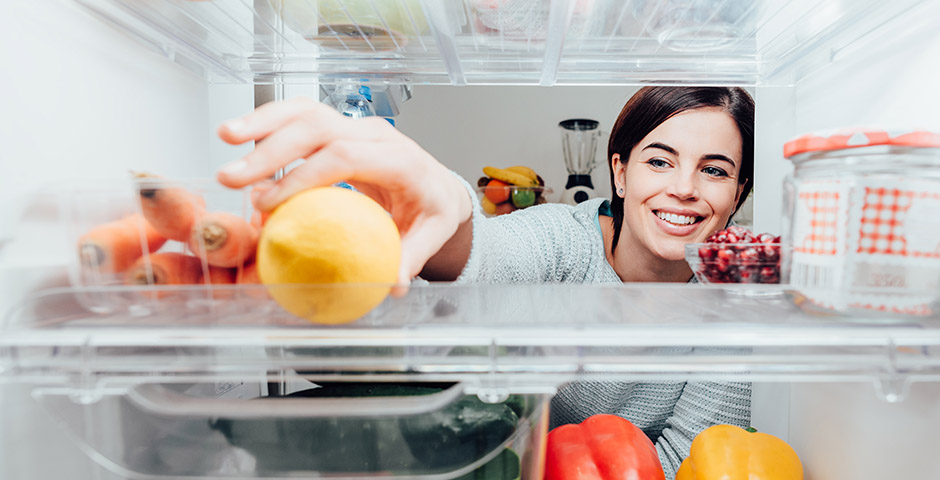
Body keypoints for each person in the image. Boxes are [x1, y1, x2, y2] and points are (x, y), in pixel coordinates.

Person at [216, 86, 754, 477]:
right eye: (659, 161)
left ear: (739, 191)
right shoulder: (564, 238)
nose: (684, 188)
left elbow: (695, 460)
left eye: (714, 170)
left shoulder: (735, 298)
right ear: (619, 171)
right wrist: (451, 211)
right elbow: (491, 257)